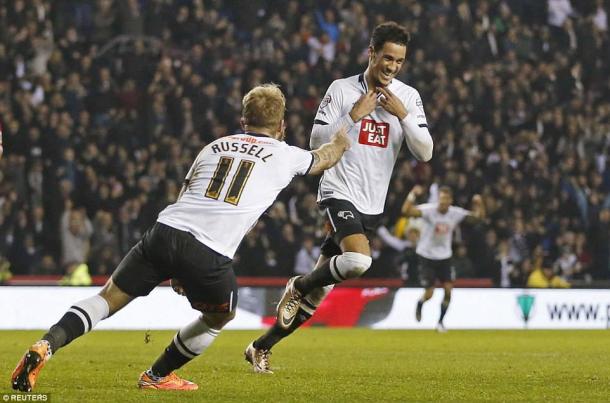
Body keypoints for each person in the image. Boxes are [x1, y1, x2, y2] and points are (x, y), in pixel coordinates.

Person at [10, 84, 350, 392]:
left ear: (243, 120)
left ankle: (46, 344)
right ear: (281, 127)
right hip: (208, 250)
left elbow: (187, 192)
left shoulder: (214, 146)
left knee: (107, 298)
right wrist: (343, 134)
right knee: (221, 316)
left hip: (165, 230)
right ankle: (157, 376)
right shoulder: (285, 153)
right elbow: (324, 158)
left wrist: (175, 265)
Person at [245, 21, 433, 373]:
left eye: (399, 61)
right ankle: (297, 284)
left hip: (372, 203)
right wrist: (353, 115)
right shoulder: (342, 90)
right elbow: (317, 141)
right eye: (387, 58)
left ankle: (261, 347)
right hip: (337, 190)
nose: (392, 67)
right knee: (359, 262)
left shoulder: (407, 97)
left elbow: (425, 152)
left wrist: (403, 115)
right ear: (372, 53)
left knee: (320, 293)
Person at [402, 185, 485, 332]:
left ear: (450, 200)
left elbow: (478, 218)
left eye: (446, 199)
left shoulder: (455, 213)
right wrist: (412, 194)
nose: (443, 202)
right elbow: (406, 211)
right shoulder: (428, 211)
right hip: (426, 256)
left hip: (445, 257)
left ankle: (440, 323)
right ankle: (421, 303)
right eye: (441, 199)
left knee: (448, 291)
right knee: (430, 293)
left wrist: (479, 204)